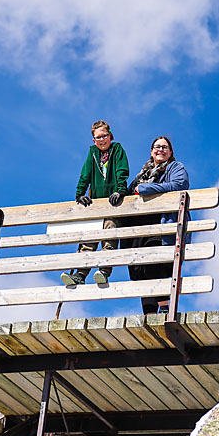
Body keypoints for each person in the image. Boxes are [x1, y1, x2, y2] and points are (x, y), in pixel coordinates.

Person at [124, 135, 189, 313]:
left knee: (154, 263)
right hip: (139, 229)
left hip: (161, 225)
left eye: (164, 147)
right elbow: (130, 193)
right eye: (157, 147)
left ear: (170, 152)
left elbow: (179, 185)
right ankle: (149, 313)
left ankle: (165, 307)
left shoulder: (175, 167)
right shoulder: (143, 174)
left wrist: (146, 189)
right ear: (151, 151)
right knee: (139, 270)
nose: (160, 150)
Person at [60, 120, 129, 286]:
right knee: (88, 239)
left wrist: (120, 190)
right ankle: (80, 274)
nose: (102, 140)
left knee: (109, 235)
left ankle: (104, 271)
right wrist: (80, 194)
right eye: (98, 137)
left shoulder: (117, 149)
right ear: (93, 140)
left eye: (105, 136)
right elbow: (85, 174)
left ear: (110, 135)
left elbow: (122, 170)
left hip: (113, 204)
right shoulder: (92, 153)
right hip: (96, 204)